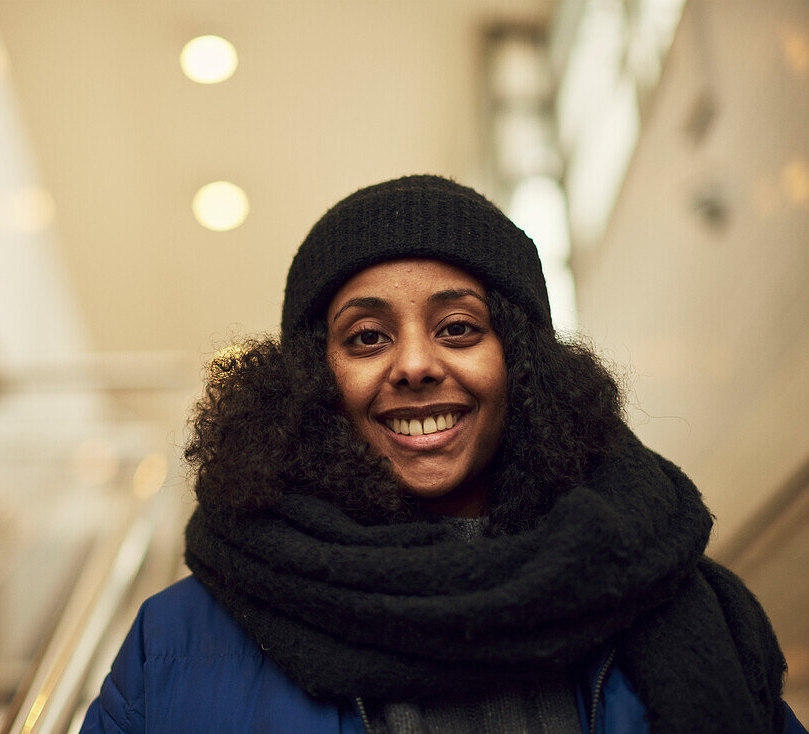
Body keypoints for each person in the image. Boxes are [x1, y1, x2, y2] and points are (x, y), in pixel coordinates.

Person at [79, 176, 805, 734]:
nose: (416, 364)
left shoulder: (671, 592)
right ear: (310, 382)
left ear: (522, 363)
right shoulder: (173, 643)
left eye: (458, 328)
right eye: (367, 337)